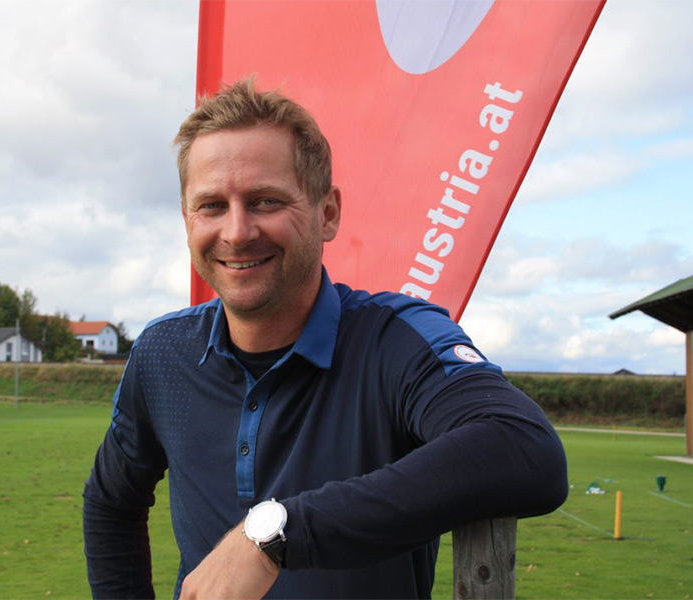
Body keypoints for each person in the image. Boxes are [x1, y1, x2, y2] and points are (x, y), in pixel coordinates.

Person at [83, 78, 568, 599]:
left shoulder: (396, 340)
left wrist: (272, 536)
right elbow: (112, 502)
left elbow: (523, 447)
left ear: (328, 213)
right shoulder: (162, 352)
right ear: (187, 220)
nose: (237, 232)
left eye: (266, 201)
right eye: (212, 206)